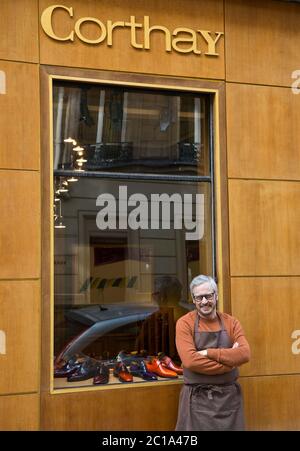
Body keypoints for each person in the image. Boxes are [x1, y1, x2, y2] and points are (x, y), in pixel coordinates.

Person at [175, 274, 250, 431]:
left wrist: (208, 352)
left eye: (208, 296)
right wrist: (229, 363)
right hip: (196, 401)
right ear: (193, 299)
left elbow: (244, 354)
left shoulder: (232, 322)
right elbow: (190, 361)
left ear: (216, 296)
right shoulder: (184, 323)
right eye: (198, 298)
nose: (204, 302)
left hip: (229, 401)